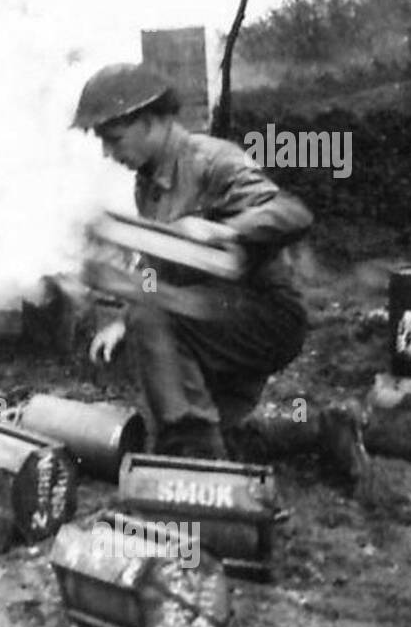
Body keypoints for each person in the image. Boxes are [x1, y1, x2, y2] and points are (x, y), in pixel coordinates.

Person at [73, 63, 369, 482]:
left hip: (265, 316)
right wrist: (122, 317)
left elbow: (293, 213)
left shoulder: (211, 161)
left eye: (113, 139)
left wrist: (224, 231)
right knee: (226, 436)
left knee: (183, 424)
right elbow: (162, 268)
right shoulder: (147, 184)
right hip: (210, 318)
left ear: (151, 122)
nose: (107, 153)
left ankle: (199, 476)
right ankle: (323, 428)